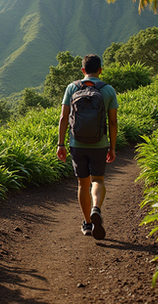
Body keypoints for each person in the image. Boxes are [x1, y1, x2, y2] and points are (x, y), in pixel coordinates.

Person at [56, 54, 118, 239]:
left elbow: (63, 118)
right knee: (98, 180)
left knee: (83, 183)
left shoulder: (72, 88)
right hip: (99, 144)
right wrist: (112, 147)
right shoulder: (108, 90)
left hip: (77, 144)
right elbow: (113, 122)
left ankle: (88, 224)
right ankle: (96, 208)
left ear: (83, 70)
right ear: (100, 70)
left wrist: (60, 144)